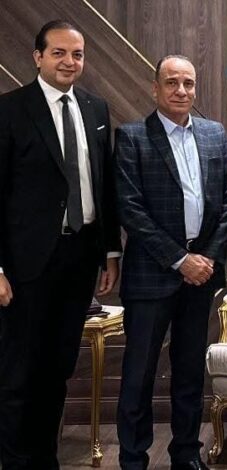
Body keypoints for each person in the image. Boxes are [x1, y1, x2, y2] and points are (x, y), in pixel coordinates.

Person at [0, 20, 121, 469]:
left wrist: (110, 251)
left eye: (77, 54)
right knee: (19, 373)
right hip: (25, 266)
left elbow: (104, 186)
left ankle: (45, 459)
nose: (70, 62)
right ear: (37, 57)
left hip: (80, 259)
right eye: (59, 53)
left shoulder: (95, 108)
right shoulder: (10, 110)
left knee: (57, 370)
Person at [114, 55, 227, 470]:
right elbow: (131, 210)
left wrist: (205, 258)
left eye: (188, 83)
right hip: (152, 275)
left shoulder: (214, 134)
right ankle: (133, 458)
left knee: (189, 372)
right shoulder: (132, 137)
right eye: (172, 82)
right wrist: (180, 259)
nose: (181, 90)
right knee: (139, 374)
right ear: (156, 88)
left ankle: (186, 453)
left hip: (202, 276)